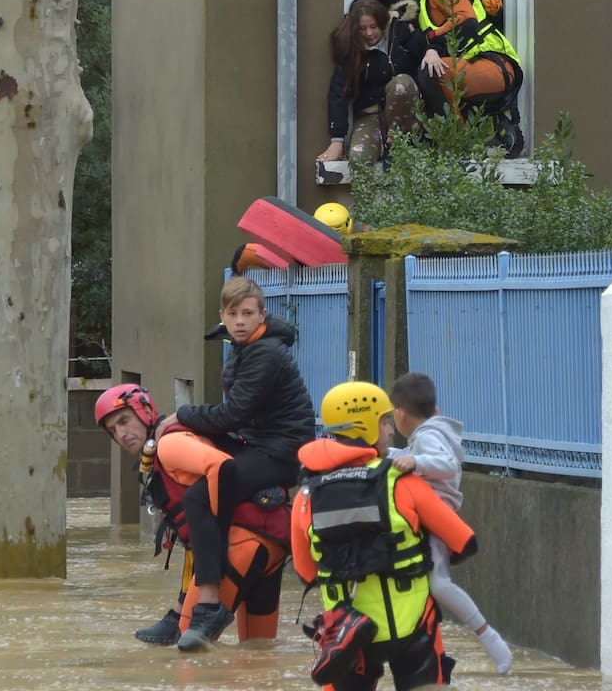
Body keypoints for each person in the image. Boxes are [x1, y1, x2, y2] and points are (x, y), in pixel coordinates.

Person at [153, 275, 316, 648]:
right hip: (258, 443)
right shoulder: (247, 347)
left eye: (247, 313)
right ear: (222, 316)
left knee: (198, 496)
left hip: (282, 453)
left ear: (262, 315)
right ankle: (184, 605)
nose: (239, 320)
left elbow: (234, 413)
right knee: (204, 475)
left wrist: (182, 413)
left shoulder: (266, 354)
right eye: (232, 313)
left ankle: (210, 602)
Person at [291, 381, 480, 690]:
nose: (392, 430)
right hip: (414, 628)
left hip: (348, 635)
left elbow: (306, 573)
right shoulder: (404, 482)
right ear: (363, 427)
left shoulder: (306, 496)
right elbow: (465, 542)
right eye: (384, 421)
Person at [93, 383, 292, 650]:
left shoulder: (169, 444)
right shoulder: (167, 447)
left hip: (241, 545)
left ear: (146, 410)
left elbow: (221, 467)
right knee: (258, 653)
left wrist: (220, 544)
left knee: (190, 657)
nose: (122, 433)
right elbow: (196, 541)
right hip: (272, 544)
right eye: (113, 430)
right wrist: (180, 604)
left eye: (124, 421)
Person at [388, 372, 513, 674]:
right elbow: (413, 455)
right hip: (428, 518)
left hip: (435, 519)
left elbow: (444, 464)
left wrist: (416, 462)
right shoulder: (428, 434)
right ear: (435, 410)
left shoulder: (428, 436)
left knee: (438, 584)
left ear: (399, 413)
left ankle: (493, 642)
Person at [375, 0, 525, 158]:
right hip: (472, 67)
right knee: (425, 79)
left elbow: (467, 22)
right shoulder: (415, 5)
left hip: (494, 64)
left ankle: (459, 144)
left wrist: (428, 41)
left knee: (432, 73)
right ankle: (470, 137)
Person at [317, 0, 421, 167]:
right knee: (358, 160)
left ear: (382, 22)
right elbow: (338, 94)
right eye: (362, 29)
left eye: (373, 27)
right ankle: (368, 190)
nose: (369, 33)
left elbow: (423, 47)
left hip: (405, 120)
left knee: (401, 84)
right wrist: (337, 140)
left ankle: (397, 145)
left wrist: (432, 51)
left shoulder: (400, 32)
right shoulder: (352, 50)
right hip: (371, 115)